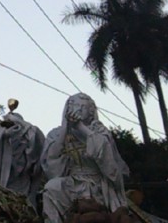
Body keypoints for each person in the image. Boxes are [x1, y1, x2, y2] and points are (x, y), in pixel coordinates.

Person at [41, 93, 129, 223]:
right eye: (73, 106)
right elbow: (52, 163)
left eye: (82, 106)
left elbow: (107, 160)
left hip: (98, 183)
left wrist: (80, 128)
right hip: (73, 181)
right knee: (51, 188)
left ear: (91, 111)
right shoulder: (57, 134)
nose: (77, 109)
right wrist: (66, 128)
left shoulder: (99, 131)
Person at [0, 99, 45, 211]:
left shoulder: (28, 148)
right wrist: (4, 134)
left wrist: (19, 122)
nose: (12, 130)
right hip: (0, 193)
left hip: (22, 194)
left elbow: (37, 137)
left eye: (16, 128)